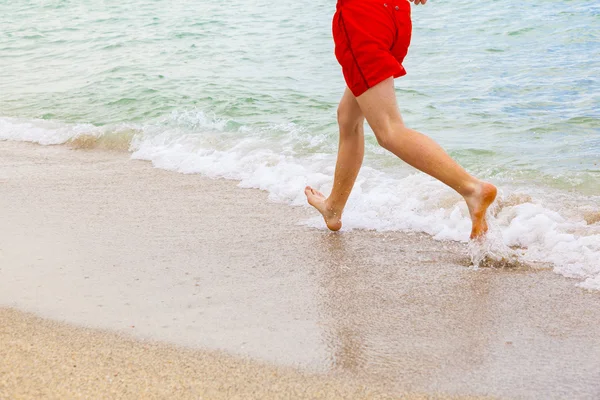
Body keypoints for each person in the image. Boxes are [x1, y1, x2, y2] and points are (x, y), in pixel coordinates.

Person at [305, 0, 497, 239]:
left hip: (362, 18)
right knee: (348, 117)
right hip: (394, 16)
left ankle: (472, 189)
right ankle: (333, 209)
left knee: (389, 130)